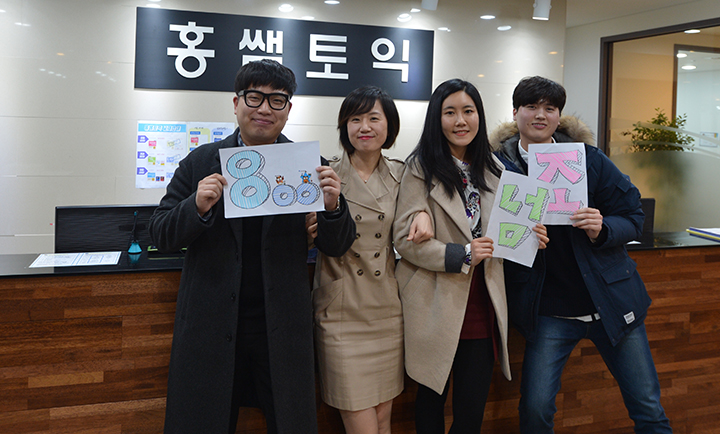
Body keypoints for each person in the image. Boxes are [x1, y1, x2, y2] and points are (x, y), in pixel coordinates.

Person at [149, 59, 356, 434]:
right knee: (201, 422)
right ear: (236, 103)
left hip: (281, 329)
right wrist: (195, 206)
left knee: (290, 422)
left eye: (277, 100)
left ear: (288, 109)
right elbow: (161, 234)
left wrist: (333, 208)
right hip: (210, 326)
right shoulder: (201, 162)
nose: (264, 108)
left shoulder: (308, 165)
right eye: (254, 97)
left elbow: (338, 245)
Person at [490, 75, 673, 433]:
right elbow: (483, 231)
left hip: (611, 302)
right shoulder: (496, 167)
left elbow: (634, 217)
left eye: (550, 108)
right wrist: (518, 238)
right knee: (535, 411)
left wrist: (603, 227)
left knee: (648, 408)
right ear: (515, 112)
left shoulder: (587, 159)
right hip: (548, 311)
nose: (540, 115)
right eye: (531, 106)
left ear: (559, 116)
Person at [392, 79, 547, 433]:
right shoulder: (419, 168)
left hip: (483, 303)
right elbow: (405, 240)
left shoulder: (496, 169)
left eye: (468, 111)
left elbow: (504, 233)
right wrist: (461, 254)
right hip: (435, 304)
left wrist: (529, 236)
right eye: (450, 112)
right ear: (437, 118)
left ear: (480, 116)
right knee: (430, 406)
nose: (460, 121)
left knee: (470, 413)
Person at [308, 86, 432, 434]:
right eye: (355, 119)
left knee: (381, 419)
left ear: (389, 126)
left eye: (374, 118)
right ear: (344, 127)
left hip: (386, 310)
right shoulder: (324, 174)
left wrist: (423, 213)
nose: (364, 127)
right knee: (361, 422)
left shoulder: (403, 174)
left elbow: (419, 211)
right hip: (341, 311)